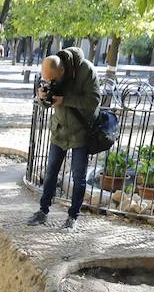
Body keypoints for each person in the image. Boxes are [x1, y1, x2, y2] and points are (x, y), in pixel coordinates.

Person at [27, 48, 101, 229]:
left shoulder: (86, 71)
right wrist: (43, 98)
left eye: (52, 79)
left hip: (80, 132)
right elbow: (45, 103)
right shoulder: (54, 74)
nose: (51, 82)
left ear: (62, 71)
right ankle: (43, 211)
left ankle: (73, 217)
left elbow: (93, 101)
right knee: (51, 172)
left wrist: (64, 99)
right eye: (47, 79)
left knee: (78, 177)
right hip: (59, 130)